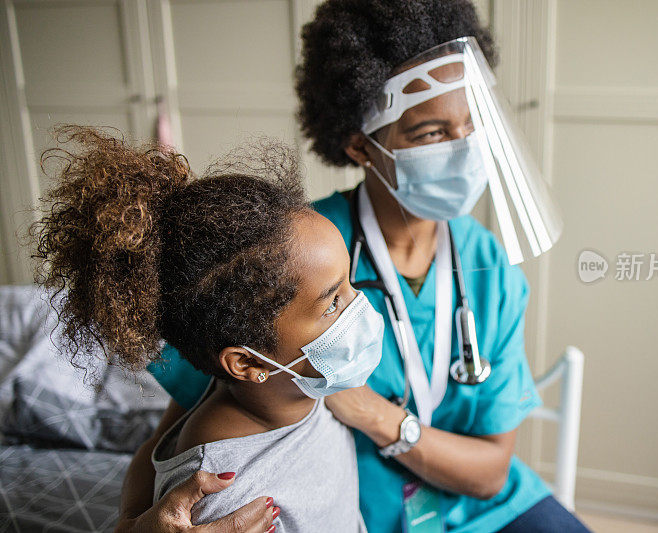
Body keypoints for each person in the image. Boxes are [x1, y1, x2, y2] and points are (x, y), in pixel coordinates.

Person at [117, 0, 591, 532]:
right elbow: (171, 445)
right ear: (360, 145)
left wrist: (373, 414)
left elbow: (489, 473)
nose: (464, 150)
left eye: (472, 124)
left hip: (483, 505)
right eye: (431, 133)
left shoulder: (487, 264)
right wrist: (132, 526)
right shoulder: (293, 251)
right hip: (361, 512)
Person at [31, 127, 381, 532]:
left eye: (348, 284)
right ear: (248, 362)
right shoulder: (221, 494)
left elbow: (150, 451)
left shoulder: (291, 386)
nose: (360, 307)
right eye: (333, 302)